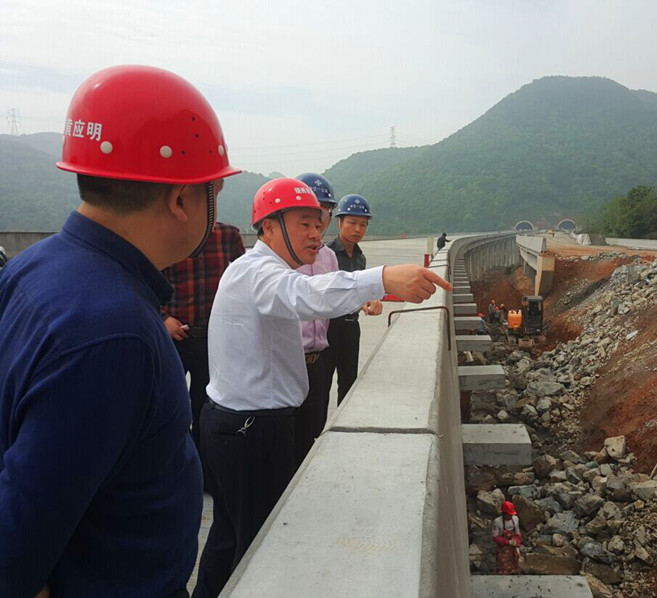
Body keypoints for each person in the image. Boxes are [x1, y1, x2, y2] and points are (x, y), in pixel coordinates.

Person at [0, 65, 240, 598]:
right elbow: (14, 554)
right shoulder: (115, 335)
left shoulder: (31, 267)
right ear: (181, 200)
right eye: (214, 191)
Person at [194, 178, 450, 598]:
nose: (315, 234)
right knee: (254, 548)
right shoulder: (259, 273)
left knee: (229, 537)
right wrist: (384, 278)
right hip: (250, 432)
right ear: (268, 227)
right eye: (303, 224)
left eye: (318, 223)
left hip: (237, 426)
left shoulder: (254, 270)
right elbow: (307, 296)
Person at [162, 222, 245, 458]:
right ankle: (175, 462)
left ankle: (204, 466)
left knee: (207, 408)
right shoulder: (166, 234)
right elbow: (144, 281)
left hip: (213, 339)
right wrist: (162, 318)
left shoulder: (228, 236)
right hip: (173, 340)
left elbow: (245, 279)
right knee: (169, 407)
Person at [293, 172, 338, 467]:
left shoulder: (329, 258)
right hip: (288, 363)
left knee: (312, 430)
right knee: (284, 438)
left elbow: (332, 302)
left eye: (324, 211)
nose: (319, 219)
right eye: (310, 213)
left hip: (317, 361)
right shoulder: (280, 259)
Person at [322, 193, 381, 405]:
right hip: (328, 327)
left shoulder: (360, 257)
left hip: (351, 327)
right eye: (352, 223)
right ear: (339, 222)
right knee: (322, 385)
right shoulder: (325, 254)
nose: (358, 229)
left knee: (349, 383)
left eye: (363, 224)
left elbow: (359, 292)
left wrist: (371, 301)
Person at [493, 501, 522, 574]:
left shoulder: (515, 519)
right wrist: (507, 542)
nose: (511, 516)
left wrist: (517, 543)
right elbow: (495, 537)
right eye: (509, 514)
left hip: (513, 546)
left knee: (515, 561)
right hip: (502, 548)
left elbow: (517, 533)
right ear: (504, 513)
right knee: (502, 563)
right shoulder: (497, 522)